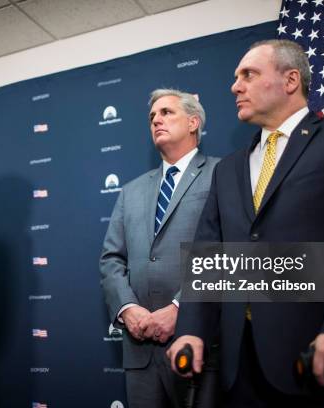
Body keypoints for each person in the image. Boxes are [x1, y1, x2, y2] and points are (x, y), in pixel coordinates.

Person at [167, 39, 324, 407]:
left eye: (248, 74)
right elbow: (208, 255)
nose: (235, 86)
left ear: (291, 80)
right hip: (238, 370)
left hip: (319, 360)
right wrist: (191, 331)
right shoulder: (228, 169)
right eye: (235, 77)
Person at [100, 89, 220, 407]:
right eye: (152, 116)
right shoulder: (130, 191)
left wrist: (181, 308)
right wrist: (128, 310)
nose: (156, 120)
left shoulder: (223, 174)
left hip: (200, 344)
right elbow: (111, 259)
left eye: (167, 112)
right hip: (140, 353)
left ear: (194, 122)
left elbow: (228, 251)